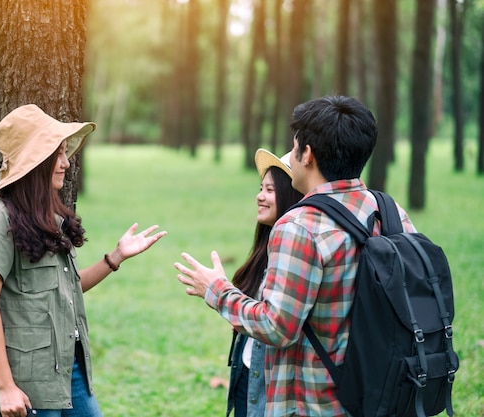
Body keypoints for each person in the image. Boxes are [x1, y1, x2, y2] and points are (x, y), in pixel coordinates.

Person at [174, 95, 417, 416]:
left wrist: (216, 290)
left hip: (317, 403)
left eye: (294, 146)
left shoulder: (300, 226)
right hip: (379, 395)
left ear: (307, 155)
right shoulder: (389, 210)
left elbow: (277, 326)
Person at [0, 104, 167, 417]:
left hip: (70, 368)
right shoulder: (0, 220)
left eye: (65, 153)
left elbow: (67, 291)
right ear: (37, 162)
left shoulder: (51, 219)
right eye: (57, 154)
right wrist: (6, 386)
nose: (66, 163)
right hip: (30, 381)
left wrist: (115, 257)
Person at [226, 149, 303, 417]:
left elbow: (275, 323)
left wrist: (219, 293)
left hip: (273, 389)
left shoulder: (296, 249)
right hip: (246, 374)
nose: (260, 196)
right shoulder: (266, 248)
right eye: (261, 188)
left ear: (288, 194)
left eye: (270, 190)